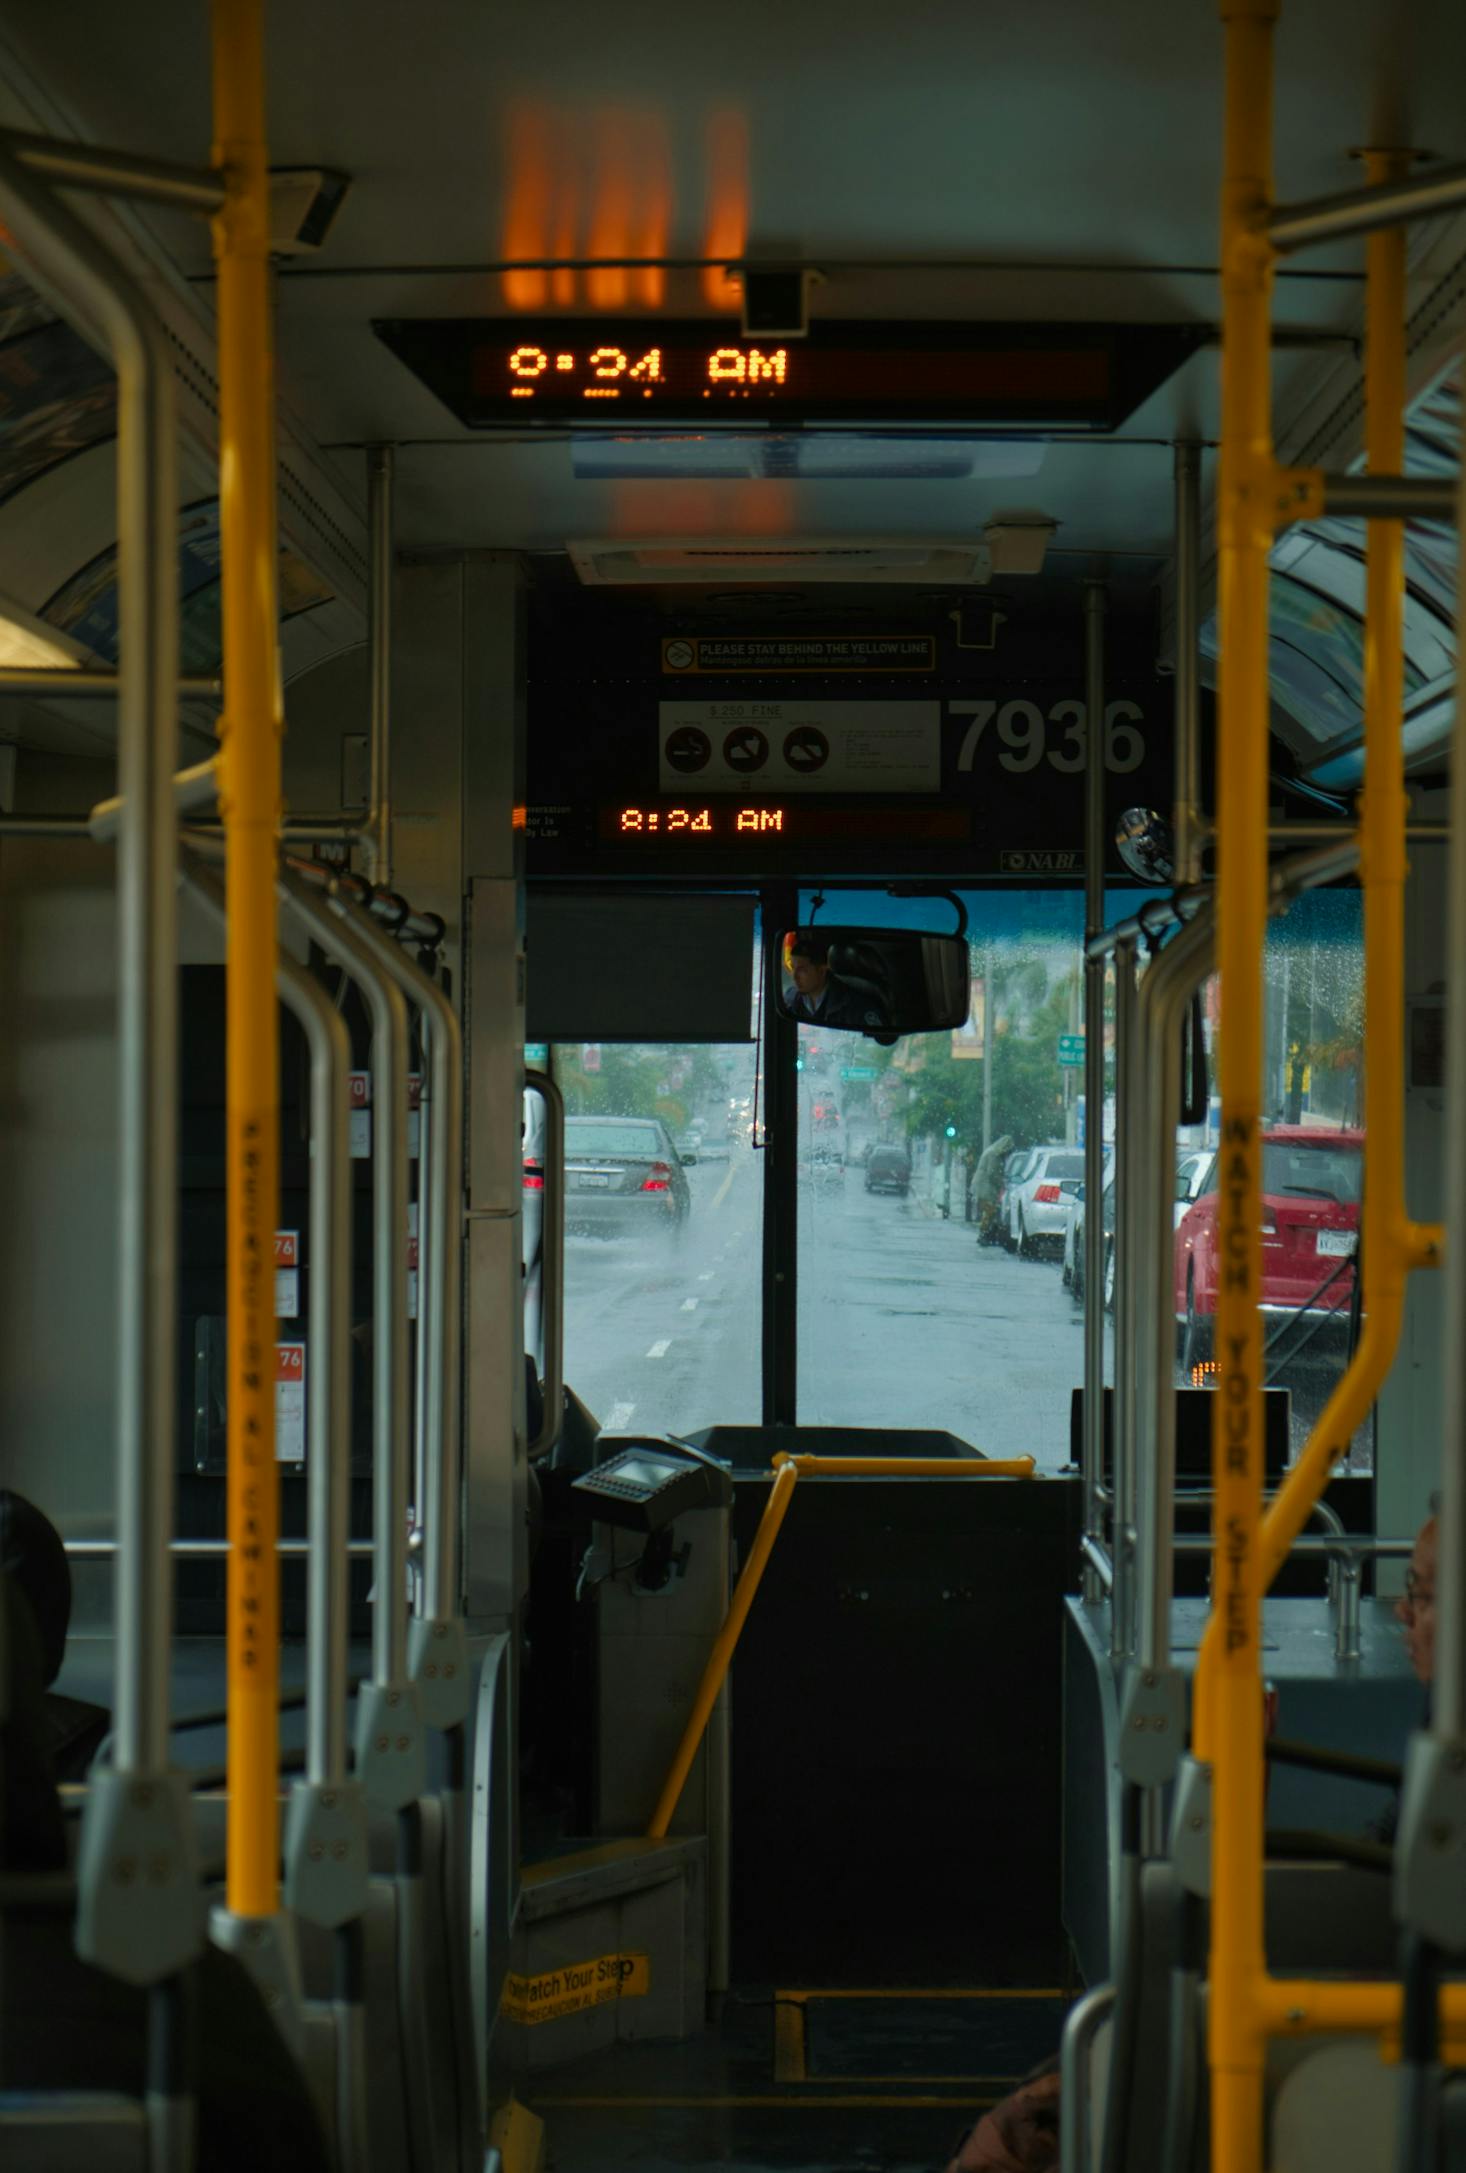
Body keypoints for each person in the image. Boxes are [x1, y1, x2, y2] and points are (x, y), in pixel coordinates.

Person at [784, 930, 890, 1034]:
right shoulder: (790, 998)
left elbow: (883, 1038)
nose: (794, 976)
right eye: (793, 968)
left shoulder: (856, 1006)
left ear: (821, 971)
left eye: (802, 970)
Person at [970, 1132, 1014, 1244]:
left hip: (984, 1185)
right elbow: (992, 1173)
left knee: (989, 1212)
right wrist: (1001, 1183)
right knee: (989, 1211)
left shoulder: (992, 1151)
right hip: (985, 1186)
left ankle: (985, 1234)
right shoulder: (994, 1155)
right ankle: (984, 1235)